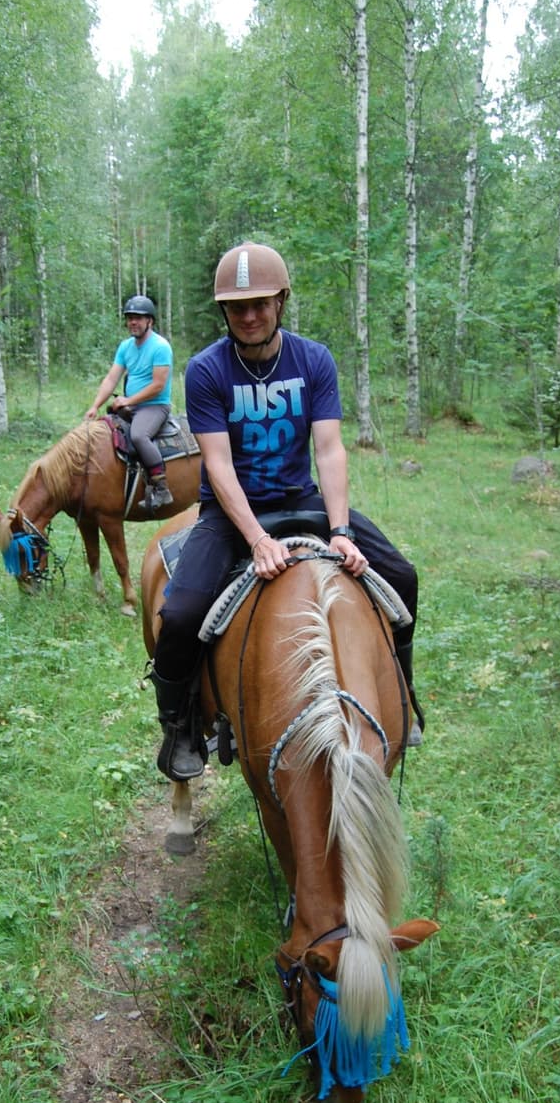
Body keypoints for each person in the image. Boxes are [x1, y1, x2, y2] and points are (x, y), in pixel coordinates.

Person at [148, 242, 424, 782]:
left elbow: (329, 450)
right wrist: (255, 538)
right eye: (237, 307)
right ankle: (179, 724)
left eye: (261, 304)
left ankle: (404, 694)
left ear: (281, 301)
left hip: (303, 502)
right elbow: (219, 465)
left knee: (402, 577)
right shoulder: (206, 370)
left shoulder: (314, 359)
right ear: (223, 311)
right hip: (232, 514)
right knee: (179, 616)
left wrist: (341, 530)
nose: (249, 316)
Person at [85, 295, 174, 510]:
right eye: (130, 318)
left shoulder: (161, 346)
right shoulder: (125, 347)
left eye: (138, 318)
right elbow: (111, 378)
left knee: (138, 435)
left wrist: (128, 400)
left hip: (155, 405)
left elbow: (158, 385)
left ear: (149, 321)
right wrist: (95, 406)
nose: (133, 322)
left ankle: (161, 488)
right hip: (131, 405)